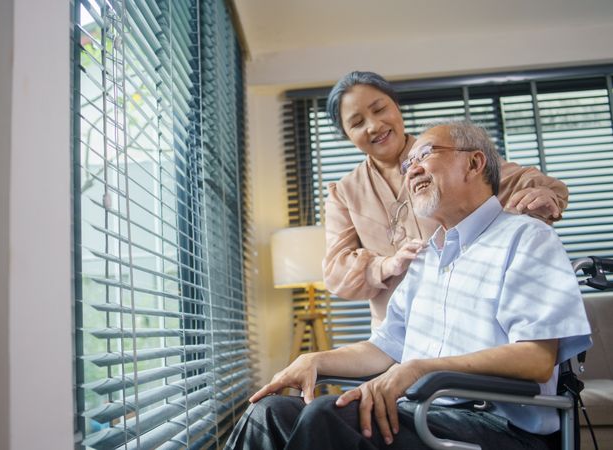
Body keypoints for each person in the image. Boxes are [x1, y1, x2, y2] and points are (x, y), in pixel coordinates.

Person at [225, 121, 591, 450]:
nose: (411, 169)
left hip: (499, 428)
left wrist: (417, 369)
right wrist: (314, 359)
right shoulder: (427, 258)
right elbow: (385, 348)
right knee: (269, 413)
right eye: (406, 165)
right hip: (422, 414)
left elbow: (537, 357)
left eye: (425, 155)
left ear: (475, 163)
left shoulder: (527, 237)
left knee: (328, 416)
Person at [322, 71, 570, 329]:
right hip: (394, 336)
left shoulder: (446, 150)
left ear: (396, 107)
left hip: (466, 324)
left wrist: (542, 194)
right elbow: (336, 273)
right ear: (346, 134)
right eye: (357, 122)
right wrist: (386, 265)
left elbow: (528, 181)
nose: (373, 126)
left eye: (379, 109)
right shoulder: (344, 193)